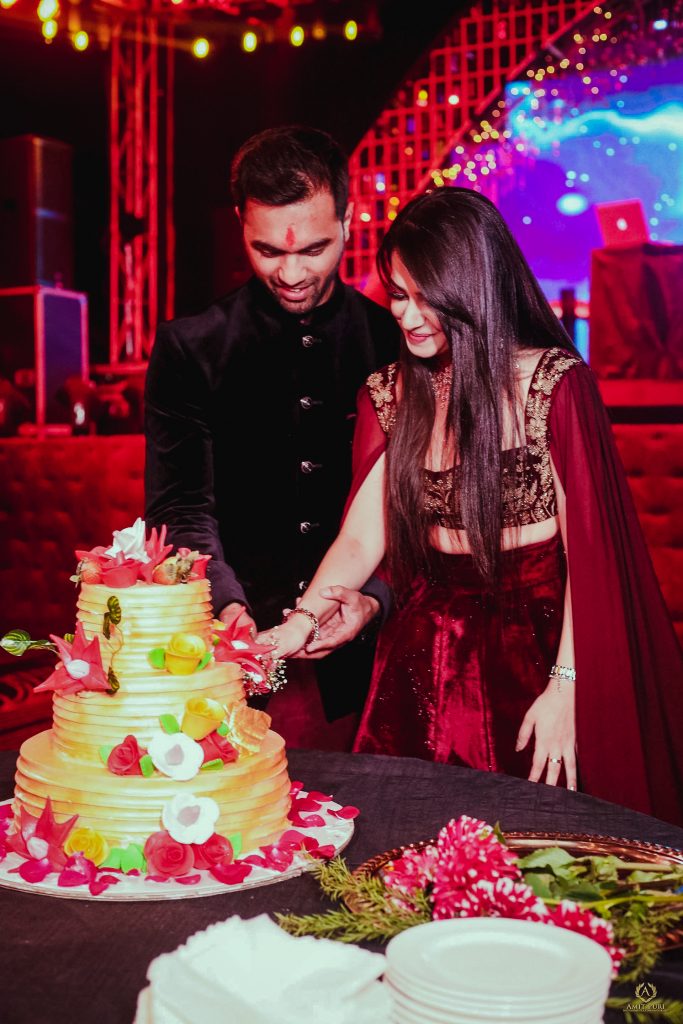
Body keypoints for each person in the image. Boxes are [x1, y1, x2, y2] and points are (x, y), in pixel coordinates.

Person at [264, 187, 683, 824]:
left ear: (474, 284)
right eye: (398, 296)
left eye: (426, 295)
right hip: (426, 649)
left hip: (540, 644)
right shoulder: (394, 392)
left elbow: (587, 556)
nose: (407, 317)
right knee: (407, 851)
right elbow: (357, 542)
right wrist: (297, 626)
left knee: (542, 851)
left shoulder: (553, 382)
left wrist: (569, 687)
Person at [144, 126, 400, 722]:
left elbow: (423, 508)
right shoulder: (191, 348)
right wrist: (227, 608)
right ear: (239, 220)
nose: (291, 273)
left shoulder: (393, 341)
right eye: (268, 251)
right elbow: (181, 508)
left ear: (349, 217)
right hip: (237, 655)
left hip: (378, 654)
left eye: (314, 249)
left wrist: (373, 599)